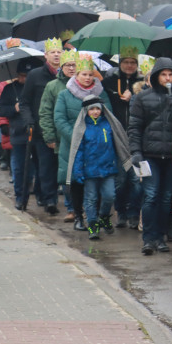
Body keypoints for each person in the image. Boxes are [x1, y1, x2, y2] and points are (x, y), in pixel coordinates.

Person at [128, 58, 172, 256]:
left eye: (171, 74)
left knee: (166, 198)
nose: (167, 78)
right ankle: (149, 238)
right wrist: (136, 152)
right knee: (151, 195)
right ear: (156, 76)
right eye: (163, 74)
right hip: (150, 154)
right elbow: (135, 127)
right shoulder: (143, 97)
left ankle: (161, 236)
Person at [54, 54, 111, 233]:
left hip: (97, 147)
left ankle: (97, 218)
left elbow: (109, 117)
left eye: (90, 75)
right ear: (76, 75)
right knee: (76, 184)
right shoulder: (65, 94)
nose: (87, 78)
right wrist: (77, 137)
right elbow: (60, 119)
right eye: (83, 74)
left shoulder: (101, 93)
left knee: (99, 183)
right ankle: (79, 216)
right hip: (73, 146)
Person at [65, 96, 132, 240]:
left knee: (109, 196)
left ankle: (103, 216)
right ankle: (92, 225)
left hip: (108, 170)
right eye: (92, 109)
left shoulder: (109, 125)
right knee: (90, 199)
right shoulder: (82, 128)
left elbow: (119, 144)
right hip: (89, 171)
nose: (95, 112)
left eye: (97, 109)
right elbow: (78, 150)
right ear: (86, 111)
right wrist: (77, 170)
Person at [19, 37, 64, 214]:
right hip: (40, 129)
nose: (56, 55)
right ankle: (50, 199)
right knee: (45, 165)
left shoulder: (67, 74)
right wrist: (29, 120)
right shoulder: (35, 75)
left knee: (56, 165)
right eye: (52, 52)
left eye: (59, 52)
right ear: (46, 55)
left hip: (61, 128)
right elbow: (24, 102)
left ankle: (45, 193)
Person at [0, 58, 42, 209]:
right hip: (18, 135)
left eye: (27, 76)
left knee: (39, 167)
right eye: (21, 75)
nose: (24, 79)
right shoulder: (10, 89)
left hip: (37, 133)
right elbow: (0, 110)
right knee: (19, 168)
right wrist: (13, 109)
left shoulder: (38, 88)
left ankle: (42, 196)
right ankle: (20, 197)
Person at [38, 49, 79, 221]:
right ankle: (70, 207)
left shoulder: (86, 84)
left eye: (74, 65)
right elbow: (45, 112)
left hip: (84, 138)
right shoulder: (52, 86)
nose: (71, 68)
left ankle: (82, 207)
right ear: (61, 67)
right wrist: (49, 136)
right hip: (62, 138)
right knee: (64, 174)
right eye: (68, 65)